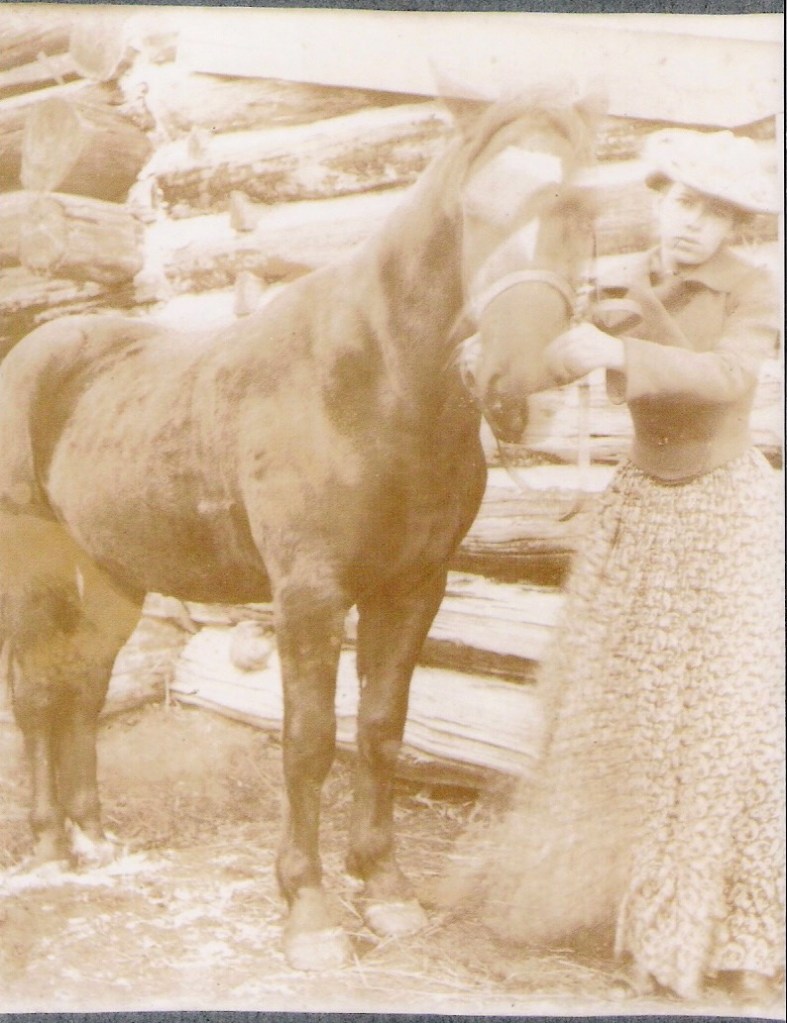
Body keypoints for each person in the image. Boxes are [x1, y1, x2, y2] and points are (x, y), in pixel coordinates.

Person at [441, 128, 784, 1005]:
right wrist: (523, 353)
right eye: (681, 201)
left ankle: (735, 935)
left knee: (718, 726)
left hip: (720, 514)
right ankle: (645, 918)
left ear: (736, 225)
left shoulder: (756, 290)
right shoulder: (635, 282)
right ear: (659, 196)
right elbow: (563, 355)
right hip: (642, 512)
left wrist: (619, 353)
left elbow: (727, 376)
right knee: (626, 717)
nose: (692, 224)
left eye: (715, 213)